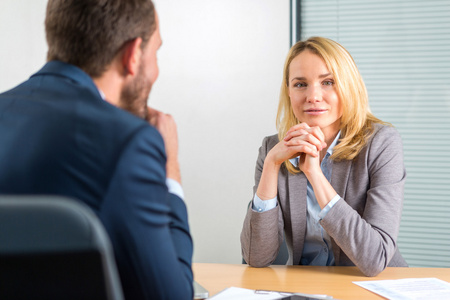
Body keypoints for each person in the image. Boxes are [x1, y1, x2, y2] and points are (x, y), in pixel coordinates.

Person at [0, 0, 193, 299]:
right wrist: (171, 170)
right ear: (132, 55)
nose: (155, 68)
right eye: (155, 51)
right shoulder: (131, 142)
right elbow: (172, 295)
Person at [240, 36, 408, 277]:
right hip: (307, 288)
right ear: (288, 91)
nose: (313, 96)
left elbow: (374, 258)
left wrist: (315, 175)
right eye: (300, 84)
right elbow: (256, 257)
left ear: (348, 86)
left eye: (328, 82)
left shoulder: (381, 143)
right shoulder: (273, 149)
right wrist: (271, 165)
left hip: (374, 286)